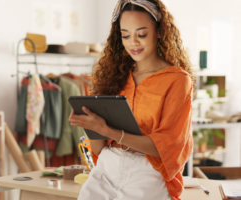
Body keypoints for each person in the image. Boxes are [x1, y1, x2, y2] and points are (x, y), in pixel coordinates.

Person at [68, 0, 195, 199]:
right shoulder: (113, 77)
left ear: (160, 31)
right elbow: (99, 149)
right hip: (106, 169)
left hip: (147, 172)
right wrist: (90, 123)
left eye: (141, 34)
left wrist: (108, 130)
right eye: (125, 35)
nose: (132, 43)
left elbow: (166, 147)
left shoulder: (177, 80)